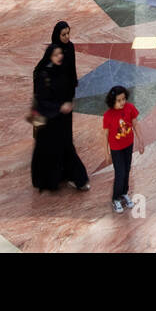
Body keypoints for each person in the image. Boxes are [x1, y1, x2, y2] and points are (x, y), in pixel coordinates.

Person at [32, 42, 89, 193]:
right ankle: (77, 180)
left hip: (62, 119)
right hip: (49, 120)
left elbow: (67, 89)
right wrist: (59, 107)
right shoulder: (42, 75)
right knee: (51, 149)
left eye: (60, 53)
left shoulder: (61, 71)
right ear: (49, 56)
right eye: (56, 54)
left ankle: (78, 179)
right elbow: (41, 101)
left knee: (65, 147)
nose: (60, 56)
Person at [50, 20, 91, 190]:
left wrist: (72, 95)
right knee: (63, 139)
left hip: (66, 99)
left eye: (68, 33)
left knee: (64, 136)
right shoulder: (53, 52)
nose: (67, 37)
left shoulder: (71, 47)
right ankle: (78, 177)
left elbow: (72, 72)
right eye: (63, 34)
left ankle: (65, 174)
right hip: (56, 102)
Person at [103, 85, 144, 214]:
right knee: (120, 173)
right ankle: (115, 198)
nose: (122, 102)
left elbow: (135, 123)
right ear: (112, 101)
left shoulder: (130, 108)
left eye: (124, 99)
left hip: (128, 145)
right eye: (119, 100)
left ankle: (124, 193)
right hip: (116, 149)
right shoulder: (108, 115)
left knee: (127, 170)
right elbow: (105, 135)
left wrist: (140, 140)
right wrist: (106, 153)